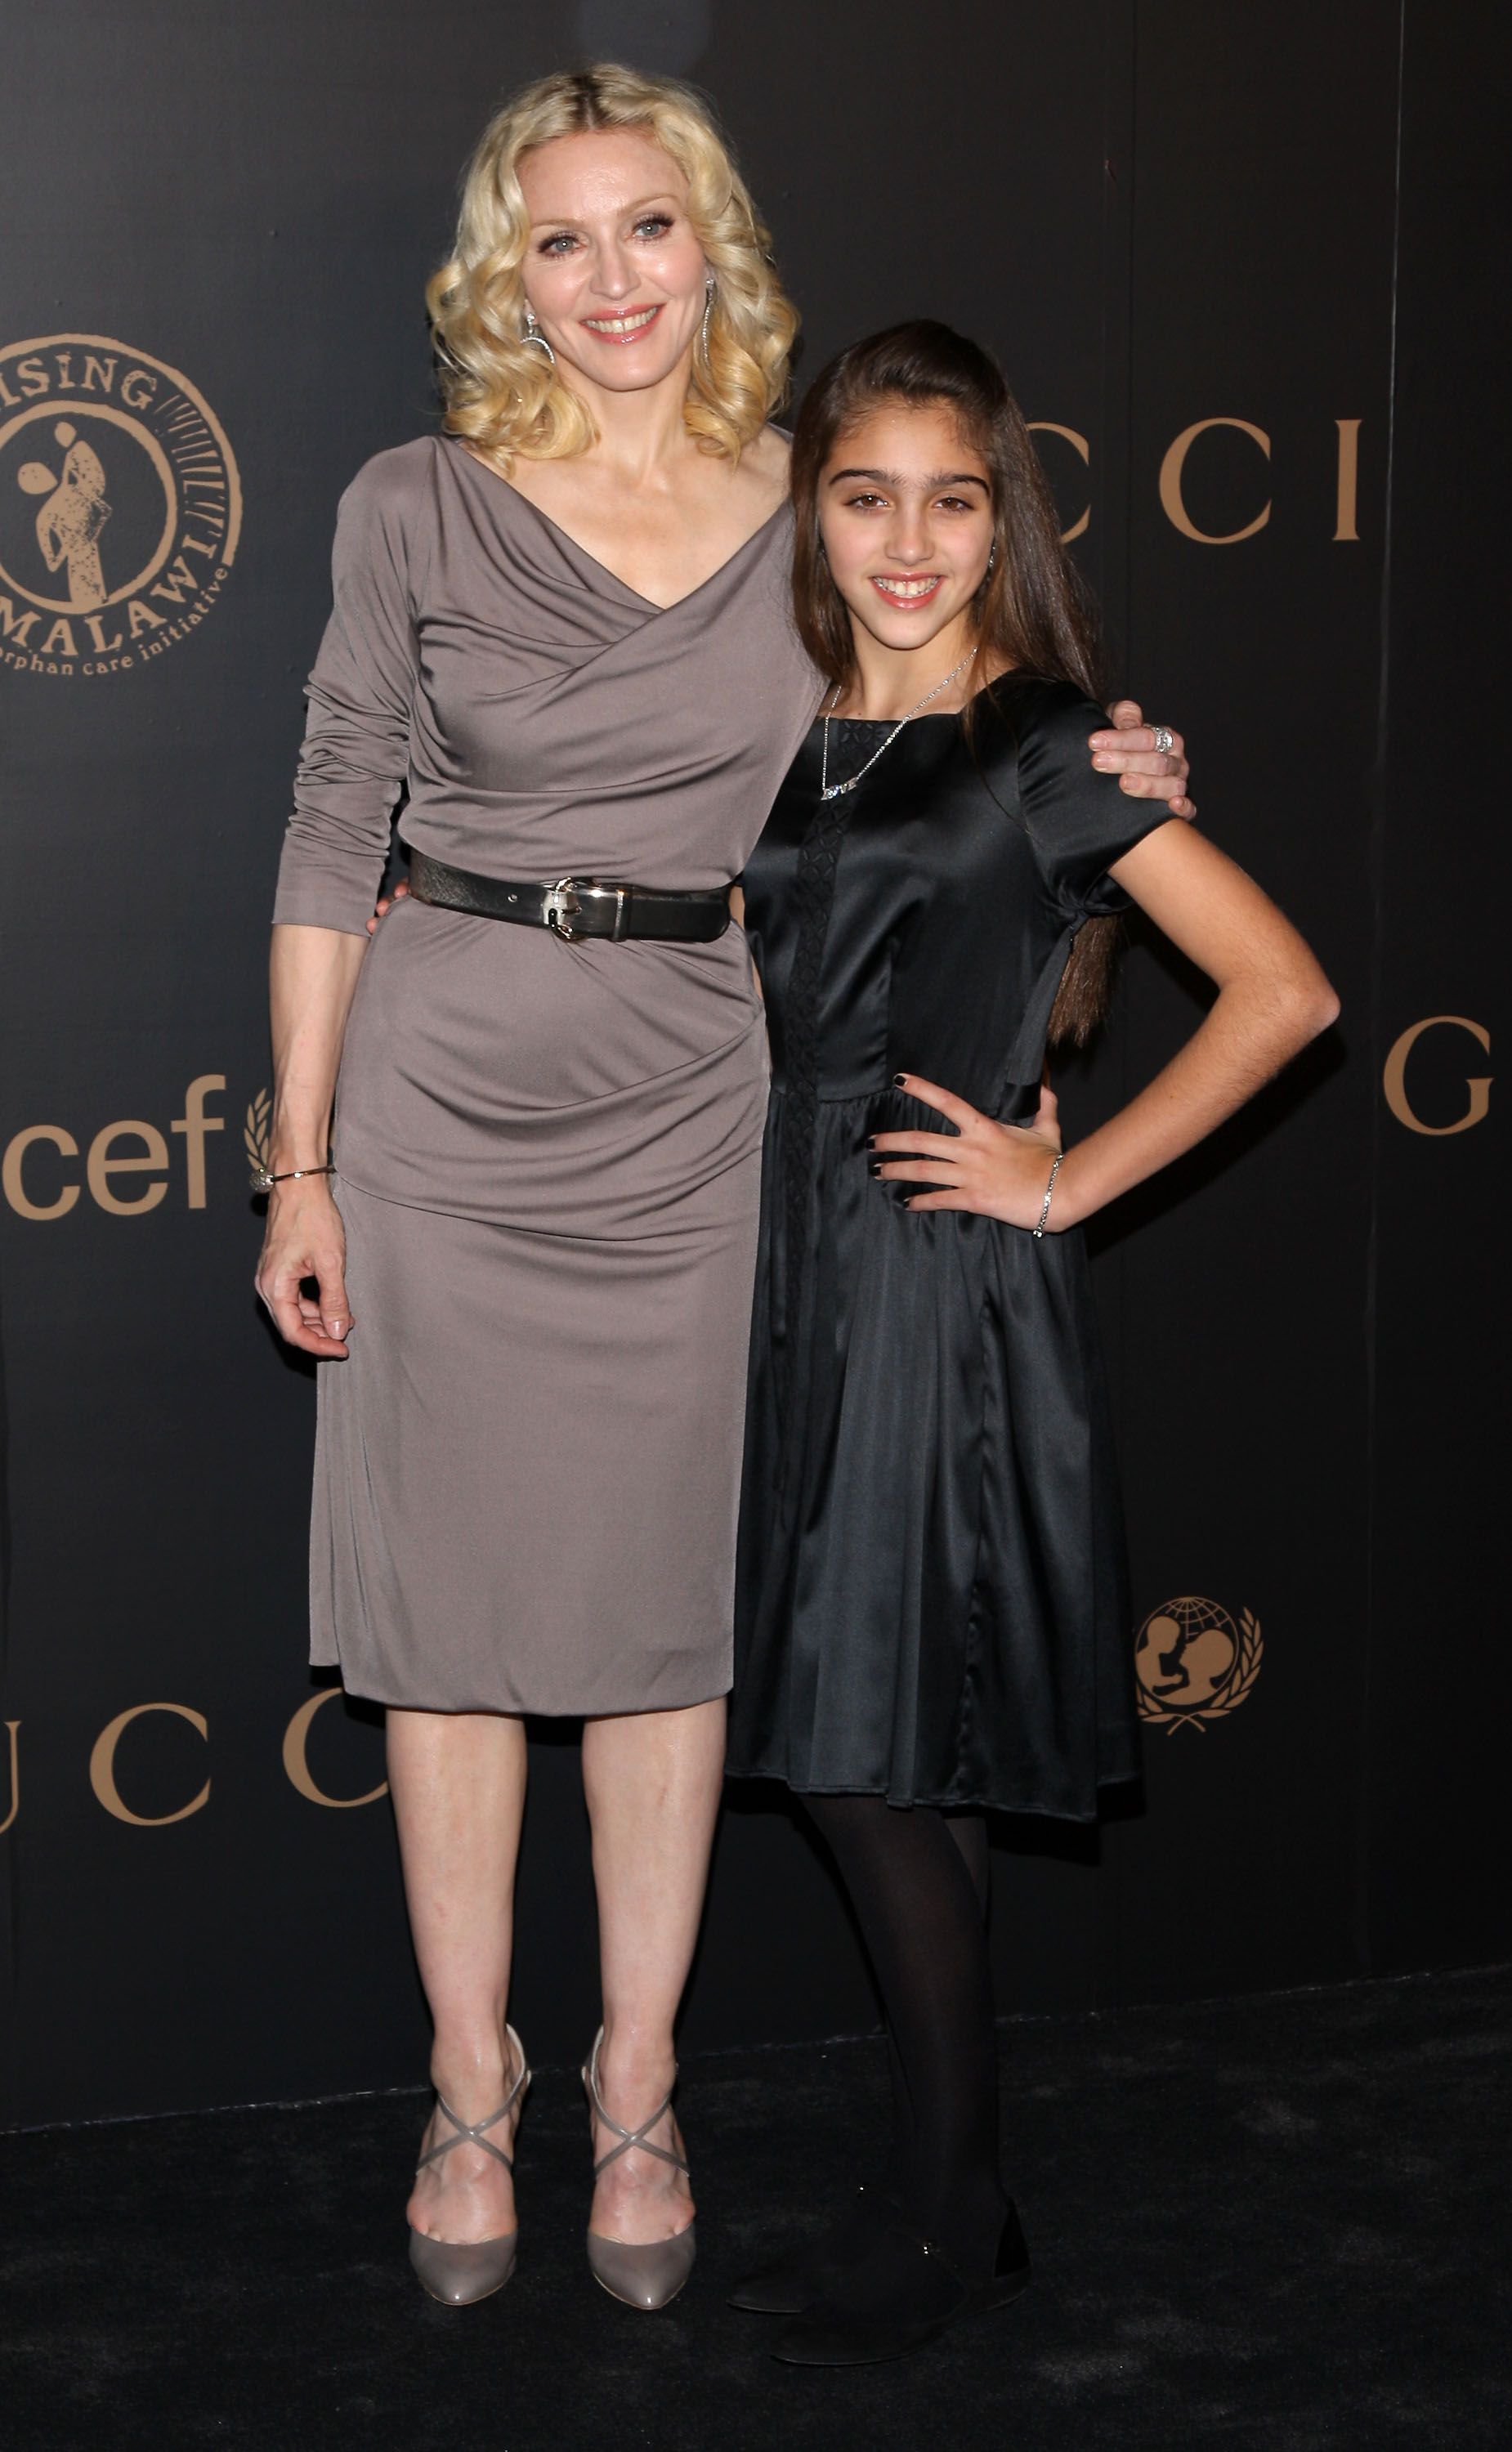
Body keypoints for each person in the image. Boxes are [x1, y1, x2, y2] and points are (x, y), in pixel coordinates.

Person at [260, 64, 1193, 2316]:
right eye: (561, 240)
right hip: (447, 1088)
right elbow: (326, 834)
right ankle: (470, 2084)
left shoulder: (806, 510)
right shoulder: (413, 500)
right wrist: (301, 1159)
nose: (611, 283)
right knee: (456, 1652)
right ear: (508, 271)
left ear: (716, 248)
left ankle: (644, 2080)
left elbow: (955, 718)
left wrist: (1117, 763)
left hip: (708, 1098)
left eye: (649, 230)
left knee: (676, 1638)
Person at [723, 322, 1337, 2366]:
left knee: (881, 1764)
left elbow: (1284, 995)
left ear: (1007, 520)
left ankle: (949, 2212)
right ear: (810, 507)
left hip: (920, 1274)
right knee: (903, 1742)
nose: (909, 542)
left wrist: (1065, 1187)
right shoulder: (776, 719)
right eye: (866, 492)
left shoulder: (1044, 744)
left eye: (954, 497)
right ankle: (954, 2184)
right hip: (769, 1264)